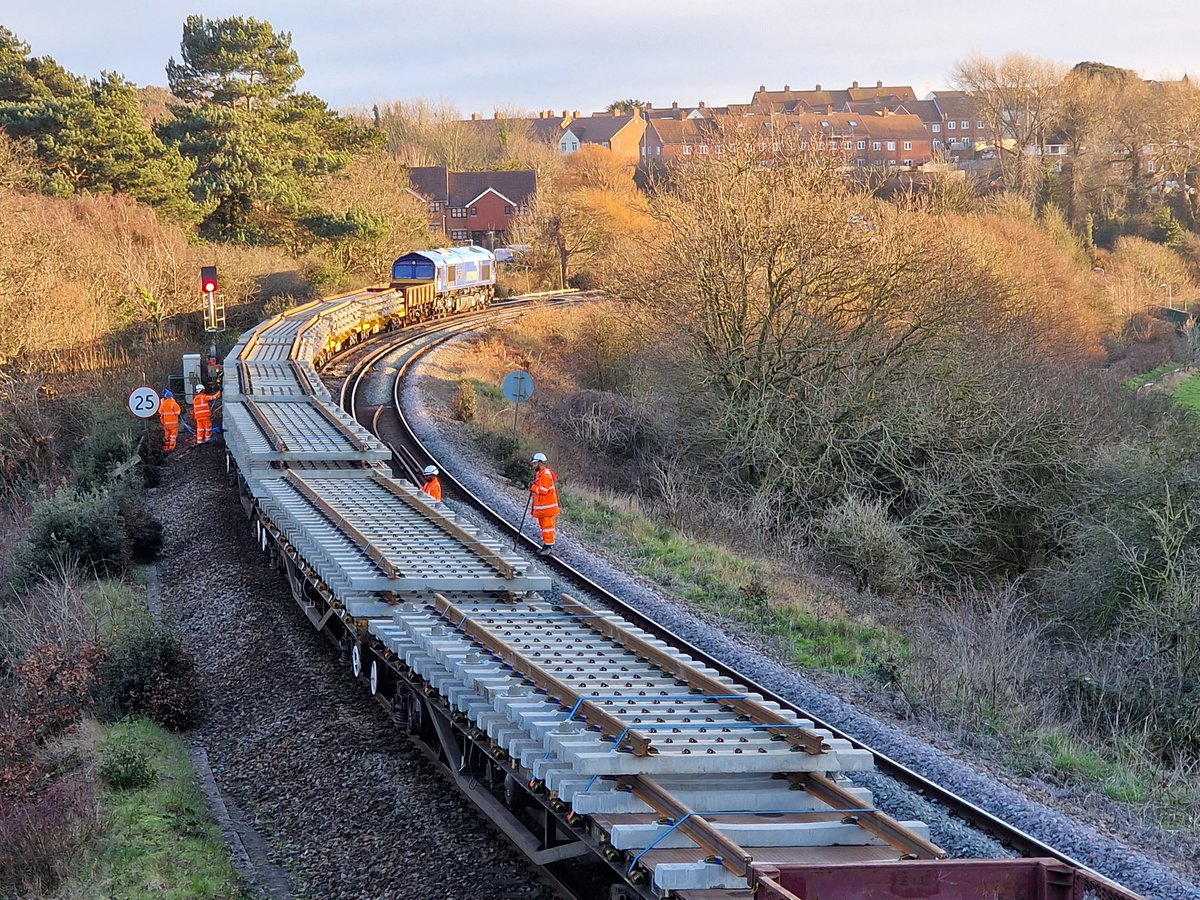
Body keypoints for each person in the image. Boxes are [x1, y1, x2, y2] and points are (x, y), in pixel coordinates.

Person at [528, 452, 559, 555]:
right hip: (544, 508)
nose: (533, 466)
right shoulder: (540, 473)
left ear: (540, 463)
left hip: (547, 508)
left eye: (535, 463)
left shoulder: (545, 475)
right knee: (545, 527)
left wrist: (533, 487)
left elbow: (543, 490)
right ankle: (546, 546)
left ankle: (548, 547)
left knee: (547, 528)